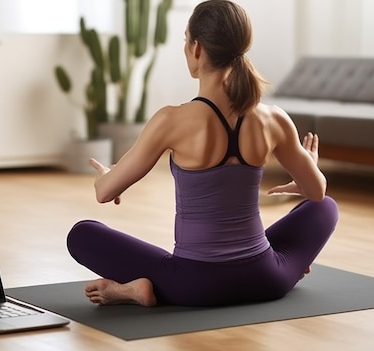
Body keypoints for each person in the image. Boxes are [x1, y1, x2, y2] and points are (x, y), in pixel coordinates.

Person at [66, 0, 338, 307]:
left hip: (194, 286)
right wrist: (308, 173)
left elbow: (105, 192)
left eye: (185, 40)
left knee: (82, 234)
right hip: (265, 279)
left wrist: (108, 175)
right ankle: (290, 269)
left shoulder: (171, 120)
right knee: (325, 208)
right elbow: (317, 192)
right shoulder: (273, 118)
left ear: (196, 48)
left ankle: (133, 290)